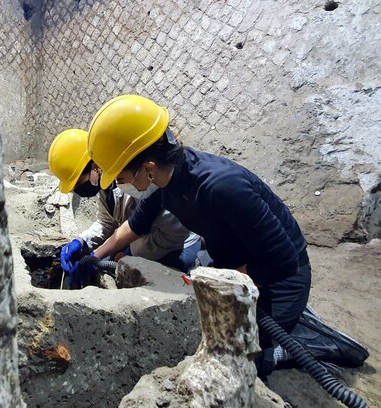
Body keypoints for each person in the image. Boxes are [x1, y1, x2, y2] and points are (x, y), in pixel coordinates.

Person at [86, 95, 311, 376]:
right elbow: (135, 225)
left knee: (241, 359)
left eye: (120, 177)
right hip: (236, 263)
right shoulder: (167, 181)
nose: (120, 185)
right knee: (200, 330)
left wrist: (214, 282)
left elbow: (283, 261)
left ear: (149, 168)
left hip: (282, 279)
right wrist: (93, 256)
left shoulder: (222, 187)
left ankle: (297, 345)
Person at [47, 128, 201, 289]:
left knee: (127, 275)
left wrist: (131, 253)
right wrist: (81, 241)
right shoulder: (105, 186)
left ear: (94, 166)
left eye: (79, 182)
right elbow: (106, 223)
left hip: (175, 245)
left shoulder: (140, 180)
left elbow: (173, 235)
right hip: (138, 237)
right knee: (109, 260)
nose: (80, 189)